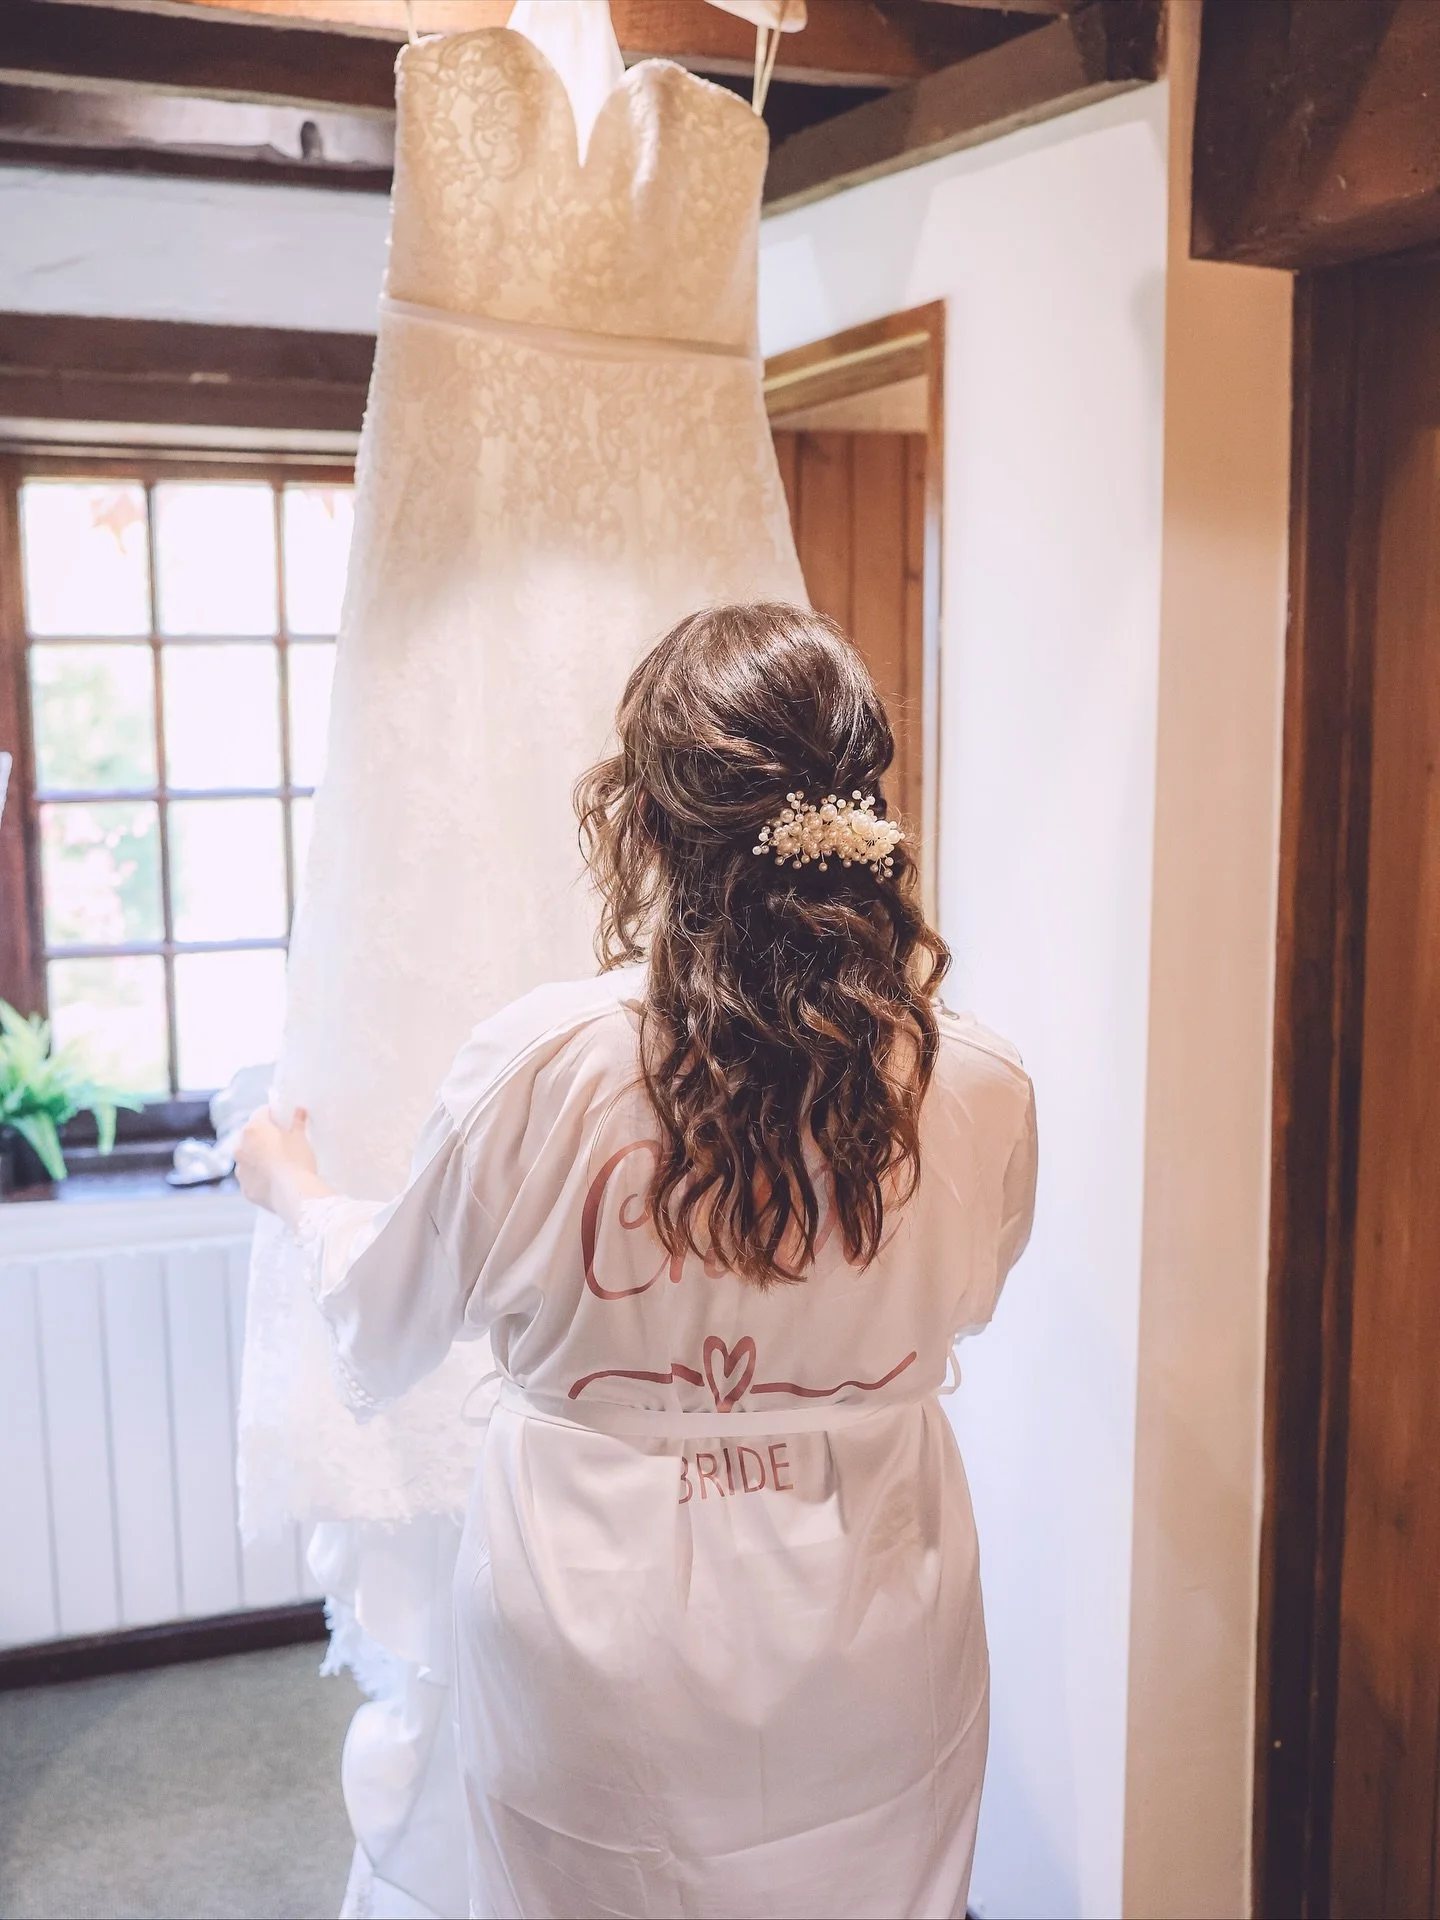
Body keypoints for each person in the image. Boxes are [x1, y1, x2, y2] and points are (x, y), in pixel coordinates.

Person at [237, 602, 1037, 1920]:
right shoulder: (983, 1081)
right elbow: (971, 1296)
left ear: (645, 816)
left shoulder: (544, 1061)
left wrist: (299, 1190)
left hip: (595, 1630)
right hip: (879, 1617)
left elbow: (387, 1315)